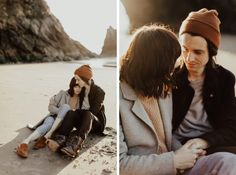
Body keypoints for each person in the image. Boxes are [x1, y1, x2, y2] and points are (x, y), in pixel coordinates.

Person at [119, 24, 205, 175]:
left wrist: (188, 152)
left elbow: (165, 139)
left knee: (226, 161)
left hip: (177, 167)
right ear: (155, 64)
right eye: (172, 60)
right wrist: (174, 161)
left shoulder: (161, 88)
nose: (177, 65)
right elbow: (120, 165)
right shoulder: (120, 98)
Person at [172, 8, 236, 174]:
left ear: (212, 52)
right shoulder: (170, 77)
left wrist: (203, 141)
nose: (189, 58)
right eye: (184, 49)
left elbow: (231, 128)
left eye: (198, 52)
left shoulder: (225, 79)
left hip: (211, 142)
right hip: (175, 145)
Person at [16, 76, 85, 158]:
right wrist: (61, 111)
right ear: (72, 86)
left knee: (66, 109)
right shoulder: (63, 93)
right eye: (75, 86)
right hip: (53, 117)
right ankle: (25, 142)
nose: (78, 89)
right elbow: (51, 107)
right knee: (60, 112)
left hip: (63, 125)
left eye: (80, 87)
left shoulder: (81, 101)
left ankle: (46, 136)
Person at [46, 64, 106, 158]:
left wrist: (78, 111)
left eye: (78, 79)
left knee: (87, 113)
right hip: (82, 122)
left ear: (85, 79)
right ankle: (60, 139)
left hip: (95, 123)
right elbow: (69, 93)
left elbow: (93, 111)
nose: (76, 82)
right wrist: (54, 98)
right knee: (71, 112)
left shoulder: (99, 92)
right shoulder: (81, 90)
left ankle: (74, 147)